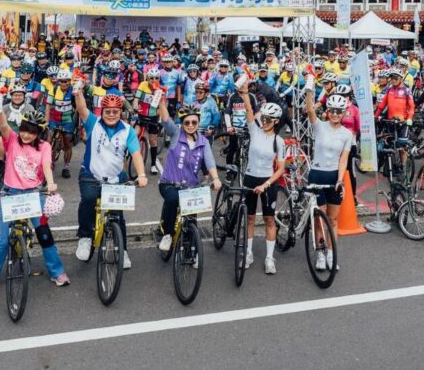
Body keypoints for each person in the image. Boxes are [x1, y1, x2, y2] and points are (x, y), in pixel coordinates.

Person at [0, 99, 70, 295]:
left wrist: (51, 182)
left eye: (32, 132)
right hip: (10, 194)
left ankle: (57, 271)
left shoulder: (44, 146)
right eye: (24, 129)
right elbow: (3, 123)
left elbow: (46, 165)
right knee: (4, 241)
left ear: (39, 133)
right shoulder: (11, 139)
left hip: (33, 194)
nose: (26, 135)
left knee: (44, 235)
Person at [73, 91, 148, 267]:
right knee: (89, 199)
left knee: (117, 215)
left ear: (120, 111)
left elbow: (136, 153)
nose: (111, 115)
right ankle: (85, 237)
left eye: (115, 111)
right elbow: (82, 108)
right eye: (108, 111)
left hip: (115, 178)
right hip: (91, 175)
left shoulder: (128, 130)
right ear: (102, 112)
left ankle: (123, 251)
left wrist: (142, 174)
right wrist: (78, 92)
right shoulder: (93, 123)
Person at [155, 103, 223, 252]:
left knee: (191, 219)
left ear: (199, 123)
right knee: (172, 199)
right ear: (182, 123)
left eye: (194, 122)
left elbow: (210, 161)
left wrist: (216, 178)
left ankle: (192, 252)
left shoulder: (203, 142)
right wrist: (162, 101)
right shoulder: (176, 134)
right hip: (169, 183)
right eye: (187, 122)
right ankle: (168, 235)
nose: (191, 125)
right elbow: (166, 119)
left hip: (190, 187)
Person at [304, 78, 352, 271]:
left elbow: (343, 160)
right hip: (317, 175)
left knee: (333, 220)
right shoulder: (320, 126)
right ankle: (321, 254)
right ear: (327, 111)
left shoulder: (347, 134)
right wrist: (309, 89)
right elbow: (309, 110)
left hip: (334, 178)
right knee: (319, 219)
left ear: (343, 113)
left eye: (338, 111)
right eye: (332, 110)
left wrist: (340, 180)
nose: (334, 114)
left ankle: (332, 255)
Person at [237, 85, 285, 274]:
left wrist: (266, 184)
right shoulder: (254, 131)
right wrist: (245, 92)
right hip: (250, 177)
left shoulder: (279, 142)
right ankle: (248, 253)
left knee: (269, 220)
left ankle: (269, 258)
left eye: (268, 120)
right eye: (263, 118)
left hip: (268, 182)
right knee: (249, 218)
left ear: (275, 121)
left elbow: (280, 169)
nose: (264, 122)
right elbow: (249, 109)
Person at [45, 68, 77, 179]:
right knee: (48, 141)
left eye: (67, 80)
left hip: (68, 119)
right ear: (59, 81)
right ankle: (48, 161)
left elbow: (79, 107)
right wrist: (46, 121)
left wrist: (79, 125)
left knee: (67, 143)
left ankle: (66, 167)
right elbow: (48, 105)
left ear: (70, 81)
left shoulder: (73, 91)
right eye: (62, 81)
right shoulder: (53, 89)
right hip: (54, 118)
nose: (65, 83)